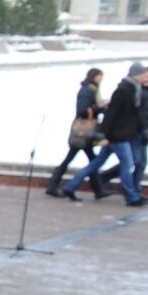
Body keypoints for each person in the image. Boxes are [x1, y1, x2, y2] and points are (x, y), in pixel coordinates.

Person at [65, 62, 148, 208]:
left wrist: (143, 129)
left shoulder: (133, 89)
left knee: (97, 162)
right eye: (143, 74)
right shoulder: (123, 90)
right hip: (118, 135)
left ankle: (70, 186)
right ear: (136, 75)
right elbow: (111, 114)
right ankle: (131, 196)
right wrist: (102, 133)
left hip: (118, 134)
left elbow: (134, 114)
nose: (146, 77)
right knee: (127, 164)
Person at [43, 67, 106, 199]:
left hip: (83, 132)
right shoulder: (87, 91)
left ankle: (98, 189)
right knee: (89, 160)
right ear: (94, 77)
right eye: (100, 76)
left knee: (89, 160)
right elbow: (82, 111)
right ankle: (96, 189)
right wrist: (99, 108)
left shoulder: (91, 90)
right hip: (83, 131)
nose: (101, 79)